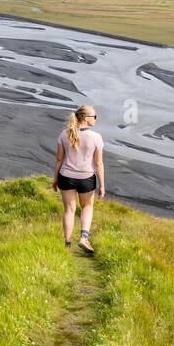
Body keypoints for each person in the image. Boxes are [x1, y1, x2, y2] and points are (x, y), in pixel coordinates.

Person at [51, 104, 105, 253]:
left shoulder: (64, 134)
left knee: (69, 210)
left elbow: (59, 159)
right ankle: (83, 238)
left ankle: (67, 244)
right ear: (86, 119)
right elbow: (98, 163)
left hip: (66, 177)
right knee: (87, 207)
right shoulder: (96, 137)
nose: (95, 118)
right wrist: (102, 186)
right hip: (86, 178)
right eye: (94, 116)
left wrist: (55, 178)